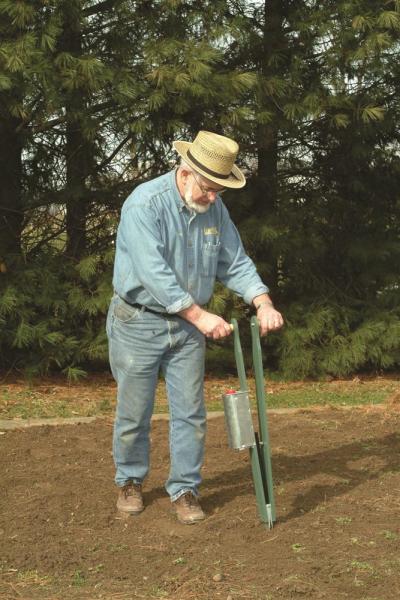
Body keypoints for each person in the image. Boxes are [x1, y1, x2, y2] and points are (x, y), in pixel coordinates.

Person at [106, 130, 284, 525]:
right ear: (185, 173)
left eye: (219, 191)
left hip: (186, 331)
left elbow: (233, 260)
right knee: (134, 412)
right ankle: (130, 480)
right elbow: (153, 273)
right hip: (138, 321)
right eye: (209, 189)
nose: (214, 198)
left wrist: (262, 301)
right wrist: (200, 316)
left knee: (191, 413)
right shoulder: (144, 204)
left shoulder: (213, 210)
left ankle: (185, 488)